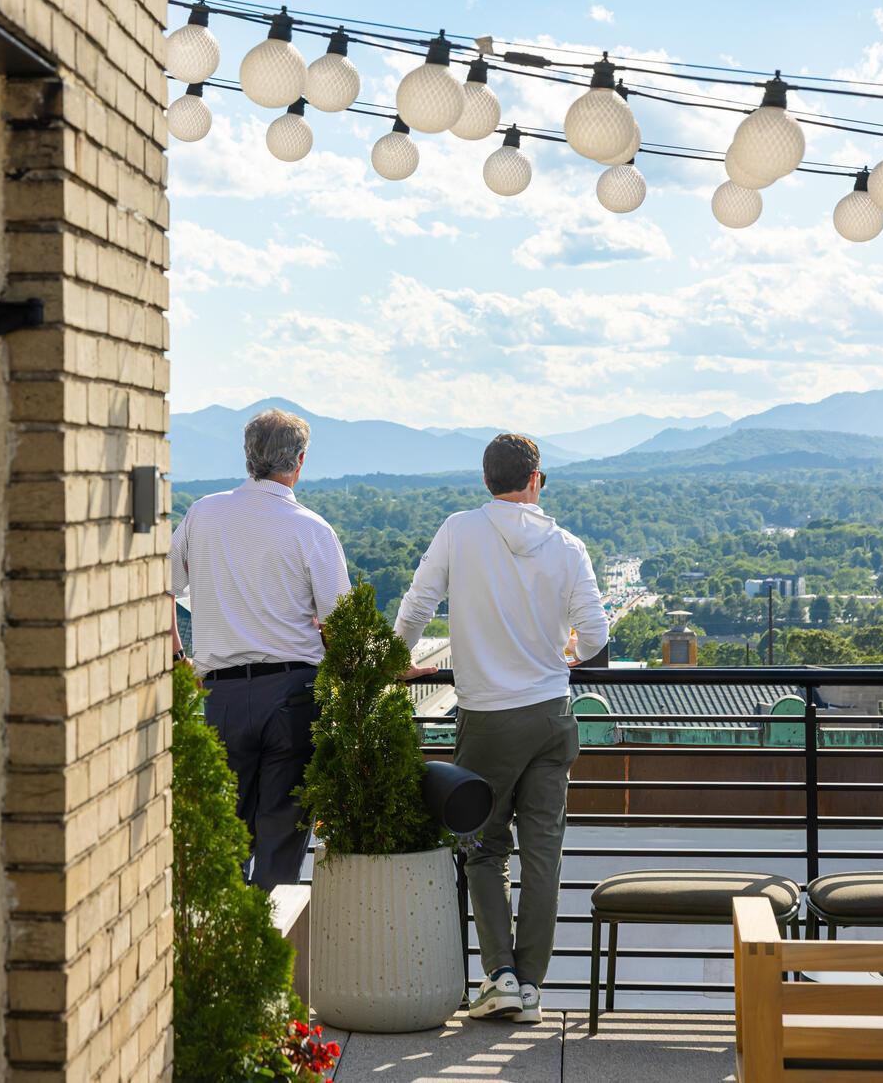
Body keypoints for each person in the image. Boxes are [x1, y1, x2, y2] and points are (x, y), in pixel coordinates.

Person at [394, 433, 609, 1024]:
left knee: (484, 846)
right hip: (551, 715)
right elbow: (594, 636)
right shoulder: (568, 546)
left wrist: (396, 658)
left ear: (487, 480)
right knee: (544, 854)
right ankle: (533, 983)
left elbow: (417, 606)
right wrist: (566, 654)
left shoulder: (460, 530)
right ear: (536, 478)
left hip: (487, 716)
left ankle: (502, 975)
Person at [168, 408, 349, 890]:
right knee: (282, 839)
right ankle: (271, 950)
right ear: (300, 461)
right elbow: (342, 626)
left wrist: (175, 655)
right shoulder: (312, 529)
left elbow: (160, 584)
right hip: (293, 694)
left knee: (224, 837)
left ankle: (225, 949)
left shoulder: (203, 513)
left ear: (248, 457)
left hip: (221, 696)